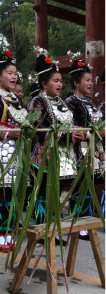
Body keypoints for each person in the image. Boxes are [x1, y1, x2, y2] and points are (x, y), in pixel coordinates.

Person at [27, 51, 80, 234]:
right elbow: (37, 132)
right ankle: (42, 231)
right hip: (43, 158)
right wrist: (64, 137)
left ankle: (53, 230)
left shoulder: (63, 102)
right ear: (44, 83)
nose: (59, 84)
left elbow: (69, 125)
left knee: (55, 195)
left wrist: (76, 134)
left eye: (60, 81)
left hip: (62, 157)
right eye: (55, 81)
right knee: (43, 195)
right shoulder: (37, 102)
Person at [0, 48, 27, 252]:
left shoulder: (16, 99)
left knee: (12, 195)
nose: (13, 76)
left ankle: (9, 230)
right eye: (9, 73)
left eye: (15, 73)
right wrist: (10, 134)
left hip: (16, 152)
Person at [65, 55, 104, 240]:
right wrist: (95, 134)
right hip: (79, 151)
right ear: (76, 83)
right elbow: (73, 127)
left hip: (93, 151)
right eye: (87, 80)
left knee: (90, 187)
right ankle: (76, 220)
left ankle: (86, 220)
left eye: (91, 80)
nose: (90, 84)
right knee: (79, 186)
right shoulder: (70, 103)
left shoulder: (91, 102)